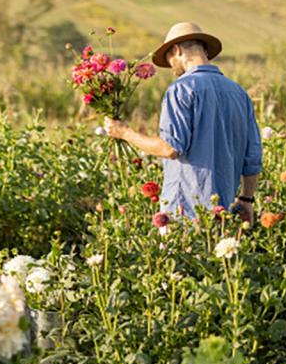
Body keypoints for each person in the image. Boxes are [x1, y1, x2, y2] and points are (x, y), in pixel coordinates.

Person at [104, 22, 262, 221]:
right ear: (204, 50)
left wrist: (125, 133)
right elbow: (252, 157)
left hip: (185, 212)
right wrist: (247, 199)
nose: (171, 66)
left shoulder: (182, 88)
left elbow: (170, 149)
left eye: (169, 58)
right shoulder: (238, 93)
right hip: (225, 212)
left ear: (176, 50)